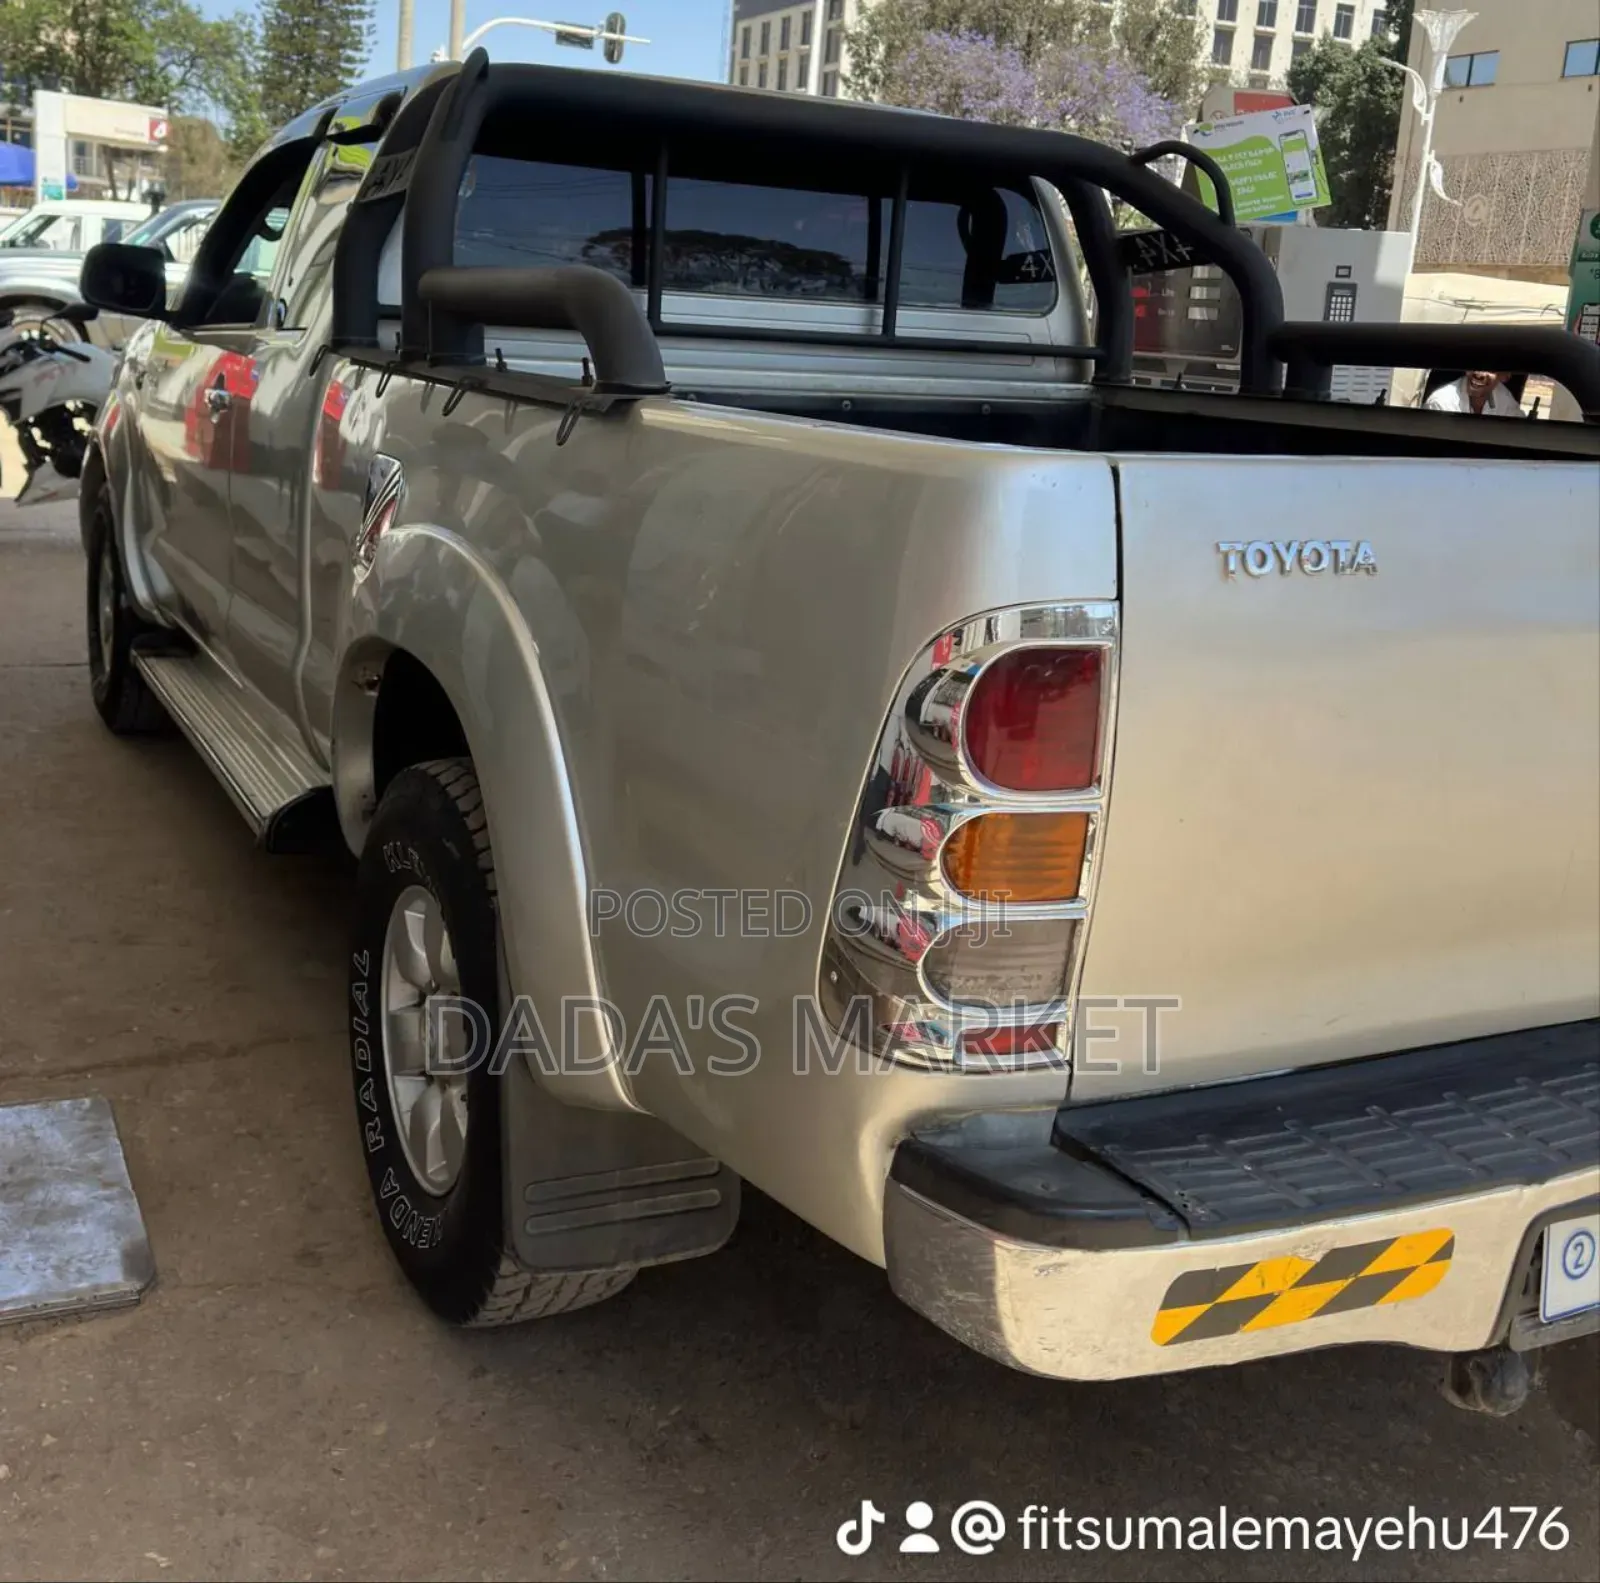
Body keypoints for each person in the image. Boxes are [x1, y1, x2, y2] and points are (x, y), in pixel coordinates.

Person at [1424, 369, 1524, 417]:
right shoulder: (1441, 403)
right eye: (1476, 365)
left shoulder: (1504, 399)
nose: (1479, 374)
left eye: (1490, 370)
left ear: (1505, 376)